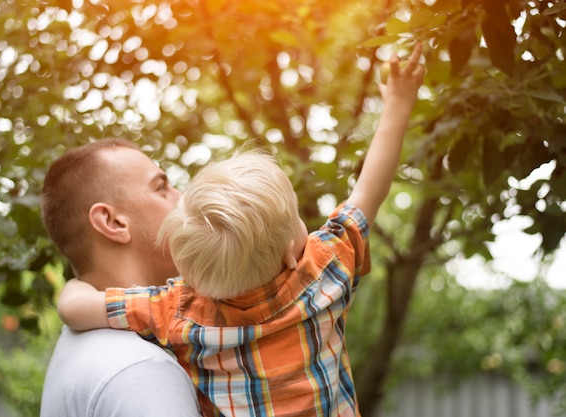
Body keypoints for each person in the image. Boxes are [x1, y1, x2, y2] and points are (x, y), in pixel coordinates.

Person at [57, 44, 426, 417]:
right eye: (161, 186)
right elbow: (368, 190)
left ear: (192, 270)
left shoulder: (177, 310)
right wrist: (397, 104)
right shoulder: (324, 271)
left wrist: (76, 282)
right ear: (288, 251)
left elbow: (74, 309)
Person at [39, 138, 201, 417]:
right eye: (161, 187)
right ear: (113, 222)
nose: (181, 195)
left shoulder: (88, 345)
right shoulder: (142, 372)